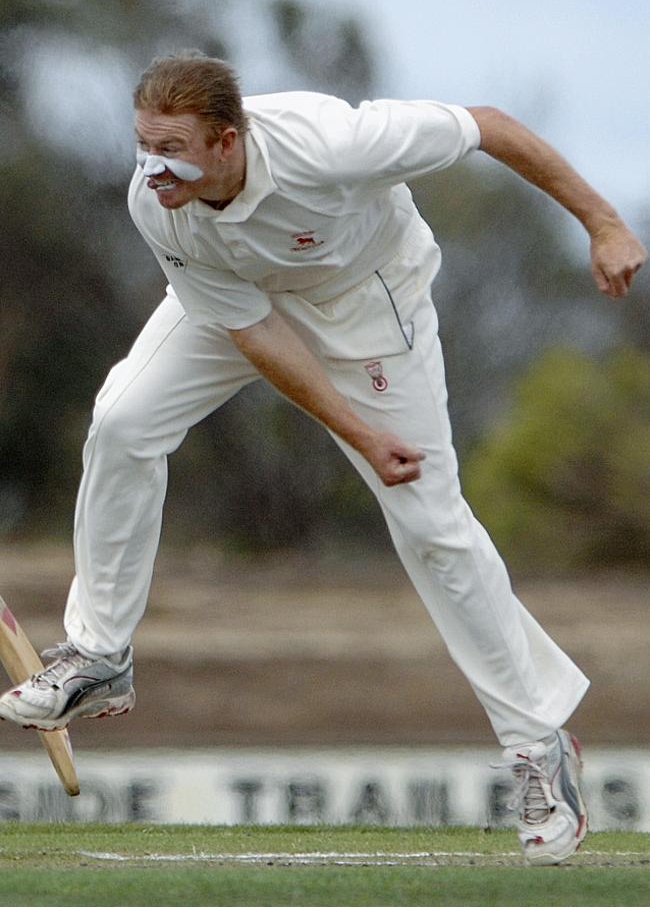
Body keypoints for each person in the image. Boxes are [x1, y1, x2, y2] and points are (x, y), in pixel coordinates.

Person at [0, 51, 646, 863]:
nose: (150, 165)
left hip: (367, 303)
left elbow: (490, 128)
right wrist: (354, 427)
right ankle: (99, 654)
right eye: (141, 143)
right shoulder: (157, 200)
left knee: (430, 524)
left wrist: (603, 222)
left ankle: (537, 745)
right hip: (246, 304)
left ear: (228, 142)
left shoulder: (333, 143)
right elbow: (255, 334)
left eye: (171, 147)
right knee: (124, 420)